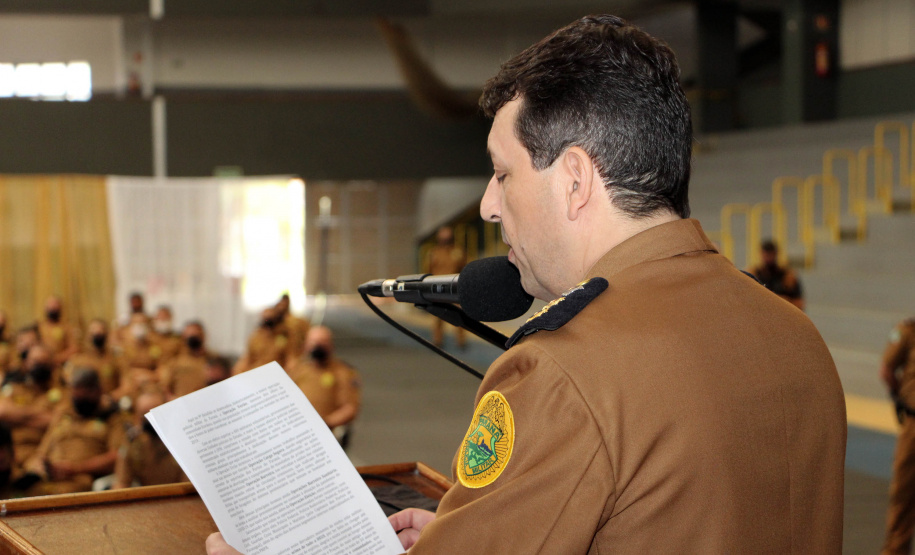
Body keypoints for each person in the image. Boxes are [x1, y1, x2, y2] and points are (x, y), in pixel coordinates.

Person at [207, 15, 846, 554]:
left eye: (501, 174)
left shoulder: (567, 370)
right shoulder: (797, 336)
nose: (488, 204)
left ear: (574, 180)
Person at [22, 367, 126, 495]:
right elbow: (42, 450)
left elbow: (118, 456)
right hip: (47, 479)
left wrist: (77, 468)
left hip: (80, 480)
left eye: (85, 394)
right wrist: (38, 465)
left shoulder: (112, 419)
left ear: (98, 391)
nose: (80, 398)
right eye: (76, 394)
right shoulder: (63, 414)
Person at [0, 344, 63, 481]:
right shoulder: (14, 389)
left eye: (43, 362)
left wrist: (18, 417)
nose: (39, 366)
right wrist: (40, 416)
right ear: (26, 363)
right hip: (10, 453)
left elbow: (59, 422)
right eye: (35, 361)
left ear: (52, 365)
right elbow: (2, 412)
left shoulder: (61, 393)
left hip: (43, 455)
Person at [286, 326, 361, 435]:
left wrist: (324, 424)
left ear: (331, 345)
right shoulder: (297, 369)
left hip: (328, 432)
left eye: (323, 342)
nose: (318, 346)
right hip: (296, 430)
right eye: (314, 342)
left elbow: (349, 408)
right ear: (306, 345)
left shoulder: (342, 372)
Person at [881, 316, 915, 554]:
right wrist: (898, 398)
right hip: (914, 426)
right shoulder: (908, 331)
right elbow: (887, 370)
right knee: (903, 496)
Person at [113, 385, 186, 488]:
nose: (149, 421)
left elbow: (189, 486)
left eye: (154, 413)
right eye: (144, 415)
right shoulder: (133, 442)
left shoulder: (183, 440)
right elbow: (121, 483)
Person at [424, 226, 467, 348]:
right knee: (438, 316)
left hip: (454, 288)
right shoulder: (433, 253)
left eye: (447, 237)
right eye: (443, 237)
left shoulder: (458, 252)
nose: (445, 239)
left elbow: (465, 268)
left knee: (459, 315)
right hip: (437, 288)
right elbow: (428, 270)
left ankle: (461, 341)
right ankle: (438, 340)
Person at [64, 319, 125, 395]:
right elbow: (69, 381)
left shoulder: (116, 358)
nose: (97, 332)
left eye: (101, 330)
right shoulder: (78, 359)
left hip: (110, 400)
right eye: (93, 330)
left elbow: (126, 384)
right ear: (88, 335)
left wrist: (111, 398)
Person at [157, 321, 211, 399]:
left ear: (203, 336)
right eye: (190, 336)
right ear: (183, 338)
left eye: (197, 335)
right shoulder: (176, 362)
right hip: (180, 403)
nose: (194, 339)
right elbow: (165, 388)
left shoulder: (213, 360)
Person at [748, 239, 805, 310]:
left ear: (776, 254)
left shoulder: (788, 277)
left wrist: (782, 302)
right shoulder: (753, 275)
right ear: (761, 254)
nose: (768, 258)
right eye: (766, 254)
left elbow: (799, 304)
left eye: (770, 254)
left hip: (783, 314)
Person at [232, 307, 291, 374]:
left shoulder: (285, 336)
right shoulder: (256, 337)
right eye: (265, 319)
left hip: (276, 373)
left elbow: (290, 359)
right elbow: (248, 358)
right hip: (256, 372)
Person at [37, 296, 80, 366]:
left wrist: (57, 358)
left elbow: (74, 348)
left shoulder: (67, 327)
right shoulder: (38, 327)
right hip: (40, 364)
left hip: (60, 365)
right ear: (45, 308)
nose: (53, 308)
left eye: (55, 306)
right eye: (50, 306)